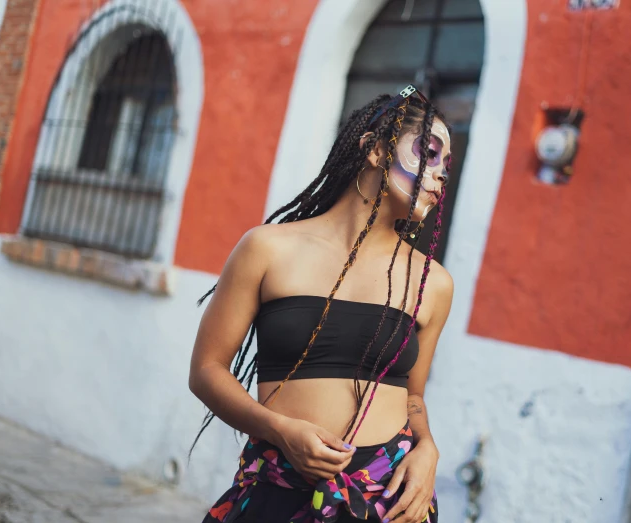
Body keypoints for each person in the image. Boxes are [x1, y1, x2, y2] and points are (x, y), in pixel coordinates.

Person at [188, 85, 454, 523]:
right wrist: (280, 430)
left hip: (386, 500)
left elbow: (414, 395)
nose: (440, 175)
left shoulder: (434, 282)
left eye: (446, 164)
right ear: (373, 151)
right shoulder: (266, 249)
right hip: (279, 489)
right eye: (428, 153)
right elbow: (206, 371)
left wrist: (428, 448)